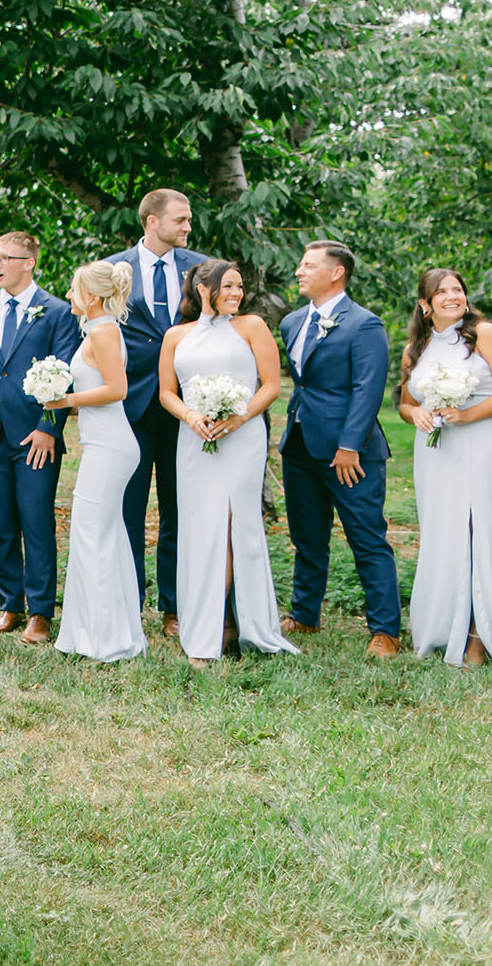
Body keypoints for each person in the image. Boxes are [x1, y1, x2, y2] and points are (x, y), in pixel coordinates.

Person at [399, 268, 492, 666]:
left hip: (477, 443)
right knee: (444, 531)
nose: (453, 297)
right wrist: (414, 412)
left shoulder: (485, 334)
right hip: (434, 451)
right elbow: (404, 402)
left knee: (476, 529)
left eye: (458, 290)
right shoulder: (416, 347)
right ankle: (444, 624)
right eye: (442, 292)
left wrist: (468, 416)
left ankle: (480, 634)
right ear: (425, 304)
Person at [156, 260, 295, 665]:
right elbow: (167, 392)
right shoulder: (175, 335)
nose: (237, 293)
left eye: (239, 287)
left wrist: (240, 417)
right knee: (201, 527)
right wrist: (191, 416)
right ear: (203, 287)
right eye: (228, 286)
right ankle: (214, 625)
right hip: (195, 440)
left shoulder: (251, 326)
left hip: (243, 437)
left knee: (235, 525)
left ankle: (221, 626)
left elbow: (271, 385)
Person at [278, 240, 401, 656]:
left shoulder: (364, 324)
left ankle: (385, 630)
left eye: (308, 265)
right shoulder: (293, 322)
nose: (299, 271)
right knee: (307, 536)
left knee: (367, 537)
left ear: (336, 273)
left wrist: (350, 446)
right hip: (298, 444)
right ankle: (305, 615)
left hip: (350, 453)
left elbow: (368, 390)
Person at [0, 231, 80, 644]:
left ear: (28, 263)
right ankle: (11, 605)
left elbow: (64, 372)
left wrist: (49, 428)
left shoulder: (58, 312)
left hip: (35, 436)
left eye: (5, 258)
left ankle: (41, 612)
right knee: (3, 524)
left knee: (37, 520)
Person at [105, 189, 207, 635]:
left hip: (186, 406)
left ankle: (174, 605)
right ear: (151, 220)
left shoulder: (201, 268)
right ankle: (129, 601)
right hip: (130, 404)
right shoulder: (112, 269)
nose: (188, 228)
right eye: (181, 220)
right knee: (127, 507)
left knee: (178, 508)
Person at [42, 261, 146, 663]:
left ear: (91, 296)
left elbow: (117, 388)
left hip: (111, 446)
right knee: (104, 534)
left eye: (72, 289)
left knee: (91, 534)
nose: (68, 295)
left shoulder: (103, 332)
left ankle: (104, 639)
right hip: (102, 444)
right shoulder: (98, 330)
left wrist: (64, 401)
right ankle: (107, 630)